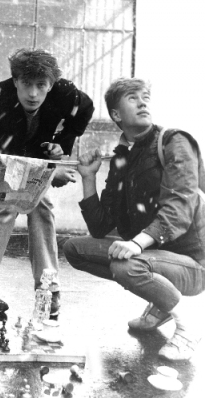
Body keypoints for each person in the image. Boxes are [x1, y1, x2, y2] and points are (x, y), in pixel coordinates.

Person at [63, 77, 205, 362]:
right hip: (152, 254)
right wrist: (88, 178)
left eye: (145, 98)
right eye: (133, 98)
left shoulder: (174, 142)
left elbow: (179, 207)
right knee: (73, 249)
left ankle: (188, 326)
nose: (143, 103)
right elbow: (101, 226)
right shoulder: (122, 157)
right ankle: (161, 303)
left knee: (126, 265)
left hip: (192, 262)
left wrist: (137, 244)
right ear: (116, 115)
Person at [0, 49, 94, 315]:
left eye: (41, 85)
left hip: (34, 155)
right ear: (15, 80)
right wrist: (5, 187)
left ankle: (47, 287)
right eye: (26, 84)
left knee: (43, 207)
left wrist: (60, 146)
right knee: (3, 206)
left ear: (51, 84)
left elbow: (85, 110)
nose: (33, 93)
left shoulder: (66, 94)